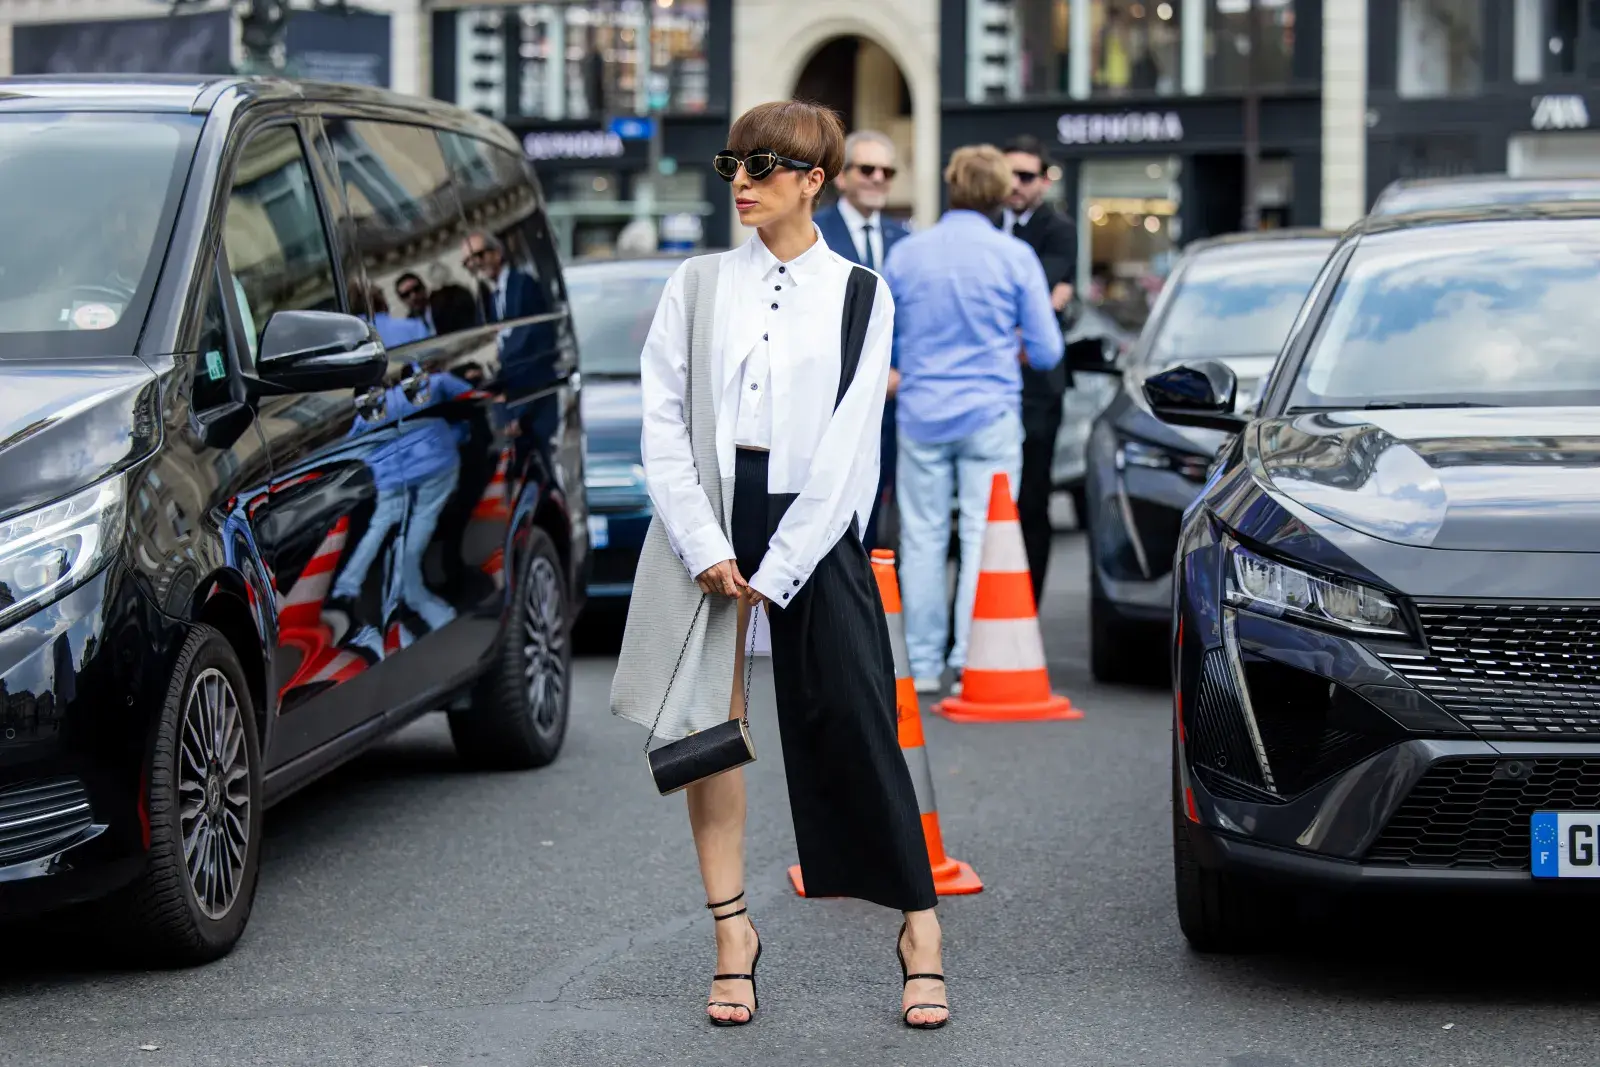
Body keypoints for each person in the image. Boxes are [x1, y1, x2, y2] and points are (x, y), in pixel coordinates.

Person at [610, 99, 949, 1031]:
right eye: (734, 165)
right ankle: (733, 936)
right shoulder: (697, 284)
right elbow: (662, 421)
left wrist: (785, 561)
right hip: (713, 513)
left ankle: (919, 926)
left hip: (815, 518)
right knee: (706, 731)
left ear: (813, 180)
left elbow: (851, 446)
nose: (743, 184)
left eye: (763, 167)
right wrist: (705, 542)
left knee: (856, 714)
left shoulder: (861, 293)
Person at [884, 144, 1063, 695]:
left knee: (922, 536)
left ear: (952, 186)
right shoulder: (1015, 256)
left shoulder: (907, 254)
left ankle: (921, 662)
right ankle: (969, 656)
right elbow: (1048, 351)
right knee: (984, 537)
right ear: (1001, 193)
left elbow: (882, 338)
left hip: (922, 411)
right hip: (989, 412)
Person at [815, 129, 911, 551]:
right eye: (867, 169)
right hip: (833, 402)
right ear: (841, 176)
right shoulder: (815, 233)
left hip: (895, 404)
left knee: (884, 520)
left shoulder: (904, 240)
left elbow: (911, 319)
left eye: (887, 171)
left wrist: (903, 371)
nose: (877, 178)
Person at [1002, 135, 1078, 603]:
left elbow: (1032, 295)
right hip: (990, 386)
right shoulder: (985, 222)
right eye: (1007, 173)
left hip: (1038, 390)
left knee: (1031, 499)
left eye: (1026, 176)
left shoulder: (1059, 228)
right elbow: (1035, 299)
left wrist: (1037, 309)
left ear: (1044, 181)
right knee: (987, 504)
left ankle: (1027, 606)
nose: (1015, 184)